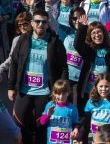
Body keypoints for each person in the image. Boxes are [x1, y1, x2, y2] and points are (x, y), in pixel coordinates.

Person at [8, 9, 68, 144]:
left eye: (44, 22)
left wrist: (61, 90)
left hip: (44, 92)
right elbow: (15, 63)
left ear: (47, 24)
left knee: (41, 126)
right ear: (32, 23)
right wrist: (11, 87)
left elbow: (64, 68)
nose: (40, 24)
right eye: (37, 21)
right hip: (24, 91)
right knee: (19, 124)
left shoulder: (55, 42)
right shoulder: (23, 39)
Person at [39, 79, 80, 144]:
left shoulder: (73, 108)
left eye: (64, 94)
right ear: (54, 93)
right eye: (58, 94)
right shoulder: (50, 105)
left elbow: (76, 124)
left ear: (68, 93)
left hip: (67, 141)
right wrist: (48, 115)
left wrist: (76, 130)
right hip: (52, 142)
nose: (61, 97)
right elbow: (42, 122)